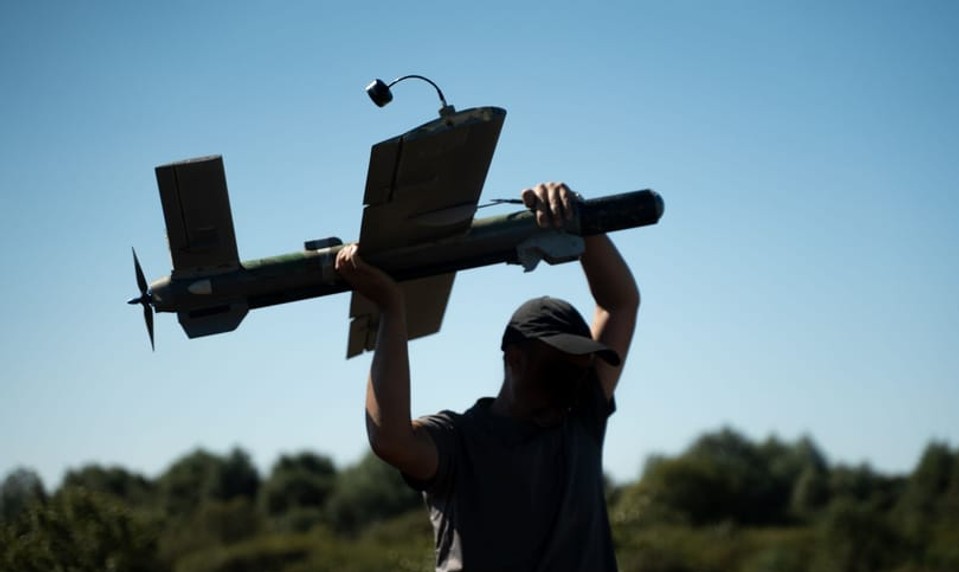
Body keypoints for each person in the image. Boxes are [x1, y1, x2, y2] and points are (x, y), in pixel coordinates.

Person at [335, 182, 639, 572]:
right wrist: (393, 308)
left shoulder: (580, 413)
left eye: (581, 369)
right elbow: (391, 439)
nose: (573, 381)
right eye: (559, 366)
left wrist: (578, 218)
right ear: (515, 359)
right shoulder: (461, 441)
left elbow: (620, 303)